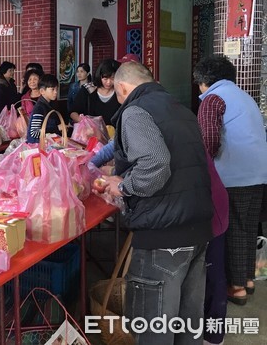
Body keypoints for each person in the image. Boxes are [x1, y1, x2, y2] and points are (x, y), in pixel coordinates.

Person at [102, 61, 213, 345]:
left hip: (164, 235)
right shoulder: (180, 108)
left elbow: (156, 163)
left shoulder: (135, 111)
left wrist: (124, 186)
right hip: (197, 229)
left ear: (122, 88)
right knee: (188, 325)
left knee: (155, 329)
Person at [193, 55, 267, 306]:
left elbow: (208, 142)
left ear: (204, 81)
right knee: (247, 227)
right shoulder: (245, 97)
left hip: (234, 176)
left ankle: (236, 288)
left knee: (233, 229)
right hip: (258, 175)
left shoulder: (213, 99)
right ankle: (247, 279)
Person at [69, 59, 120, 127]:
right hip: (91, 134)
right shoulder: (88, 89)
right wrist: (84, 122)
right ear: (99, 76)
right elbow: (73, 112)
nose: (108, 82)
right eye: (105, 78)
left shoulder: (119, 91)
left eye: (112, 78)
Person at [26, 74, 60, 144]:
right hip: (37, 145)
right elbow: (34, 132)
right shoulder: (39, 108)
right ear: (42, 91)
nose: (56, 92)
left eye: (56, 89)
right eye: (52, 89)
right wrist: (57, 128)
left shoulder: (49, 104)